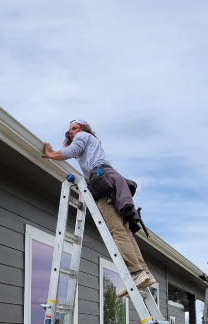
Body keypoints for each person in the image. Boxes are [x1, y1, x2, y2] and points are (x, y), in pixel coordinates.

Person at [42, 120, 155, 296]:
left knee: (117, 232)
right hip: (114, 181)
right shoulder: (92, 144)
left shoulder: (82, 136)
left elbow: (70, 152)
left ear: (83, 129)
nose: (71, 132)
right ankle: (144, 273)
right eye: (70, 130)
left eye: (75, 128)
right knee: (125, 231)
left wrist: (49, 154)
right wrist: (53, 152)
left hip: (103, 183)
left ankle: (136, 272)